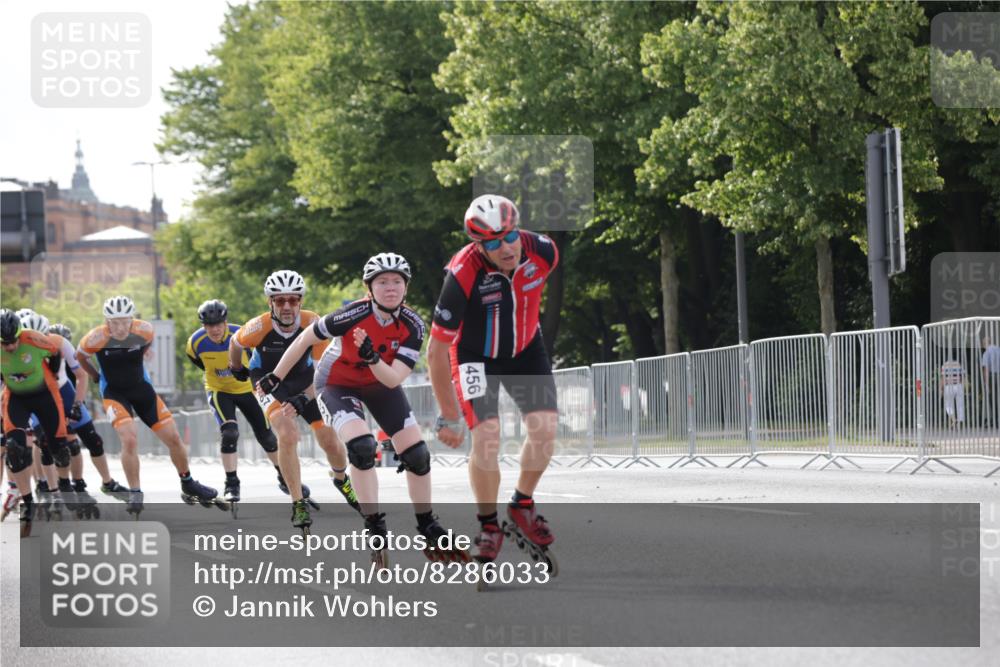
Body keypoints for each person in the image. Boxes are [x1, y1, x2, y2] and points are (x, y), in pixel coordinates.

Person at [260, 253, 467, 564]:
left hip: (380, 383)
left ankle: (427, 524)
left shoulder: (413, 325)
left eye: (397, 281)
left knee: (417, 454)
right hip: (336, 384)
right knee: (362, 447)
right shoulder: (351, 314)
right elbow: (304, 339)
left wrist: (373, 359)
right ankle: (373, 523)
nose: (390, 287)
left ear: (406, 287)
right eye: (382, 282)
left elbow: (395, 377)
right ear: (369, 288)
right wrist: (277, 376)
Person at [427, 194, 559, 568]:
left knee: (545, 430)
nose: (505, 247)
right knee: (486, 438)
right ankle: (488, 526)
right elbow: (436, 352)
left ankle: (522, 505)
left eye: (509, 236)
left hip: (524, 349)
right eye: (491, 242)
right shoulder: (462, 273)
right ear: (477, 244)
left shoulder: (545, 251)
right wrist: (448, 415)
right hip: (474, 357)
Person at [228, 271, 359, 532]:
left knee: (329, 440)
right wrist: (236, 367)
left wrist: (303, 398)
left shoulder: (313, 323)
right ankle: (298, 502)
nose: (287, 306)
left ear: (300, 301)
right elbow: (235, 341)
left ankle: (342, 479)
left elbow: (323, 374)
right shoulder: (258, 327)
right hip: (267, 381)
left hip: (305, 381)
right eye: (279, 301)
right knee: (287, 435)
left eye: (292, 300)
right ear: (270, 303)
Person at [76, 296, 220, 515]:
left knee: (173, 438)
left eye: (125, 321)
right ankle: (135, 492)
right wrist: (96, 376)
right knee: (130, 439)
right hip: (114, 393)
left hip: (141, 389)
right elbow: (80, 358)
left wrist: (140, 355)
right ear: (107, 322)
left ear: (132, 319)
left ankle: (188, 482)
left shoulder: (144, 331)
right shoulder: (94, 338)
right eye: (115, 322)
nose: (121, 327)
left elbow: (146, 344)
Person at [186, 299, 285, 506]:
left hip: (247, 389)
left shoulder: (242, 335)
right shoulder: (195, 343)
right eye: (209, 325)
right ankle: (232, 483)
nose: (214, 329)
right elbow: (198, 363)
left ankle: (284, 476)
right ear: (203, 326)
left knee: (267, 437)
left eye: (218, 324)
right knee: (229, 433)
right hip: (219, 390)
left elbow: (258, 360)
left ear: (225, 322)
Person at [0, 308, 68, 536]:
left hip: (44, 395)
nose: (10, 346)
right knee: (14, 449)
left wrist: (55, 374)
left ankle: (64, 489)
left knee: (60, 450)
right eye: (5, 343)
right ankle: (28, 503)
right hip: (16, 398)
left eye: (13, 341)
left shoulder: (33, 338)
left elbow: (55, 352)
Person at [939, 358, 966, 428]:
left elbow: (943, 378)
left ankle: (953, 419)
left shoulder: (944, 365)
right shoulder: (959, 364)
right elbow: (962, 376)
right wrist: (962, 386)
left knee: (948, 404)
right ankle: (959, 423)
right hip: (958, 386)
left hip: (948, 387)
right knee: (960, 404)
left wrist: (941, 389)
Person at [983, 336, 1000, 429]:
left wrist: (986, 384)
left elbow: (986, 369)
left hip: (992, 377)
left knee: (992, 400)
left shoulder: (986, 353)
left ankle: (996, 421)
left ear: (986, 343)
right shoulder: (999, 350)